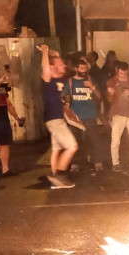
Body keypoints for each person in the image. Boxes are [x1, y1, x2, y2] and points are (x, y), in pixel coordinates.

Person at [39, 44, 78, 189]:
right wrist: (44, 52)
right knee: (72, 146)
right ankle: (60, 175)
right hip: (54, 120)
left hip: (57, 119)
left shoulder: (60, 80)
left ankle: (56, 181)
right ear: (52, 67)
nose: (63, 66)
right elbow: (46, 68)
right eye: (59, 64)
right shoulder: (48, 80)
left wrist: (54, 55)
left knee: (56, 149)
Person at [63, 58, 104, 173]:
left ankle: (98, 163)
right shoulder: (70, 82)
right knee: (74, 141)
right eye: (81, 68)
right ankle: (75, 164)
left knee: (94, 140)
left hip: (90, 115)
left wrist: (92, 87)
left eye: (85, 68)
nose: (84, 70)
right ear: (76, 69)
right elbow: (66, 97)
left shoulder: (91, 80)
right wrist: (67, 107)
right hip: (75, 118)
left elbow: (99, 96)